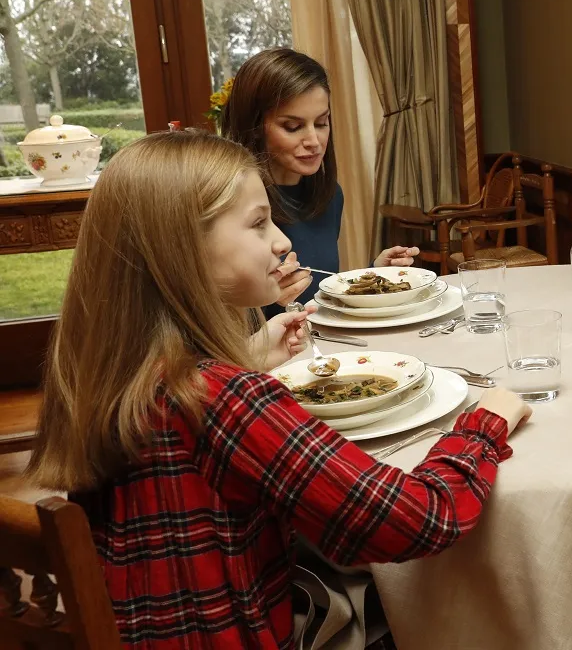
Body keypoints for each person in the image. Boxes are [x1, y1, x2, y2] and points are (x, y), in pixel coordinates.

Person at [26, 130, 532, 648]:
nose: (283, 241)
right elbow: (417, 519)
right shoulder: (225, 401)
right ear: (181, 247)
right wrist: (485, 423)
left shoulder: (107, 371)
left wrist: (245, 357)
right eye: (258, 223)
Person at [219, 47, 420, 317]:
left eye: (322, 123)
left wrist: (373, 274)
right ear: (253, 128)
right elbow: (214, 328)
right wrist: (267, 302)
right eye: (293, 127)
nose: (314, 141)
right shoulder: (227, 206)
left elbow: (318, 294)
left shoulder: (330, 196)